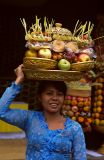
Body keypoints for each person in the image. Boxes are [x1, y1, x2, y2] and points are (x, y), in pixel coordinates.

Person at [0, 64, 87, 160]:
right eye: (49, 93)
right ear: (39, 97)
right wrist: (18, 81)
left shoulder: (74, 128)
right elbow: (1, 111)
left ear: (64, 98)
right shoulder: (30, 119)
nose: (54, 98)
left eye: (59, 94)